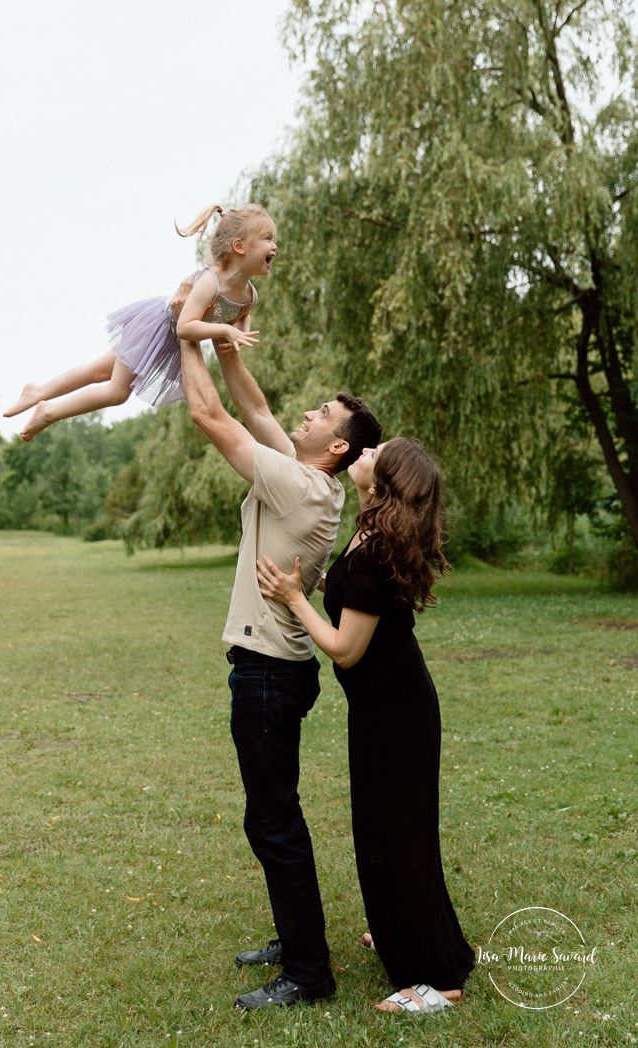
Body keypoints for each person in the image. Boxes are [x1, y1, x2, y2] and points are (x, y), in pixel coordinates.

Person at [177, 323, 382, 1010]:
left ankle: (307, 973)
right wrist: (225, 348)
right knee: (272, 817)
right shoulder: (307, 480)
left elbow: (212, 416)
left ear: (337, 448)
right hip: (271, 673)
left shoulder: (299, 488)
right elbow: (257, 412)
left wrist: (183, 337)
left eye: (321, 414)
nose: (306, 412)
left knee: (272, 822)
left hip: (267, 675)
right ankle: (295, 937)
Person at [257, 437, 475, 1014]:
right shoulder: (372, 536)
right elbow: (356, 597)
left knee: (399, 837)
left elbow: (345, 649)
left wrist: (290, 595)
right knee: (387, 832)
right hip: (384, 711)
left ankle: (438, 978)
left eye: (379, 450)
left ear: (390, 479)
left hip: (397, 715)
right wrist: (321, 584)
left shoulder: (378, 548)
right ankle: (403, 929)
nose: (368, 449)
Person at [3, 204, 276, 442]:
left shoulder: (250, 294)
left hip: (165, 343)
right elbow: (185, 327)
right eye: (267, 239)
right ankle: (49, 411)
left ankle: (38, 390)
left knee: (98, 371)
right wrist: (225, 329)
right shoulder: (209, 282)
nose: (274, 246)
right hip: (156, 327)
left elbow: (242, 312)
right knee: (116, 392)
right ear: (239, 246)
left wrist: (239, 332)